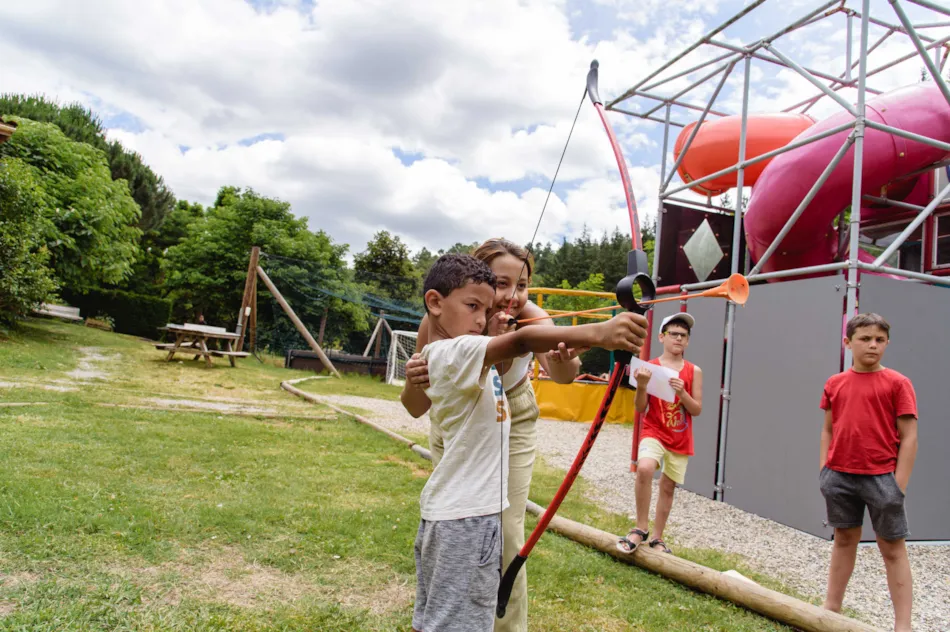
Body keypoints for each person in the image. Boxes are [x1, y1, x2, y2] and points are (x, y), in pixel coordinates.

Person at [402, 238, 635, 632]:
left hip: (512, 417)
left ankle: (505, 626)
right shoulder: (448, 321)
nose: (511, 295)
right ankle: (446, 611)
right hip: (457, 427)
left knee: (507, 533)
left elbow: (562, 375)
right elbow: (415, 405)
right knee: (453, 518)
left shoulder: (529, 317)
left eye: (522, 285)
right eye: (501, 282)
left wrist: (564, 358)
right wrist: (414, 378)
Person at [818, 313, 917, 632]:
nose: (872, 345)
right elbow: (827, 430)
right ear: (848, 342)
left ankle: (903, 625)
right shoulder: (835, 383)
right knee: (844, 539)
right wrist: (825, 471)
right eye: (865, 339)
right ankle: (831, 609)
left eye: (879, 340)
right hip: (839, 476)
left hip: (882, 478)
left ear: (887, 343)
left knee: (892, 548)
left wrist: (897, 485)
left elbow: (910, 436)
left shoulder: (898, 383)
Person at [617, 312, 703, 556]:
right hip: (653, 430)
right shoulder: (649, 368)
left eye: (683, 336)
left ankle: (657, 537)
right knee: (644, 468)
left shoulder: (694, 371)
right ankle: (640, 527)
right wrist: (642, 386)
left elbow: (697, 409)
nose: (678, 339)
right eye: (673, 334)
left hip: (680, 436)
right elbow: (640, 408)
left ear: (688, 342)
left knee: (668, 487)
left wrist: (683, 393)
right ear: (661, 337)